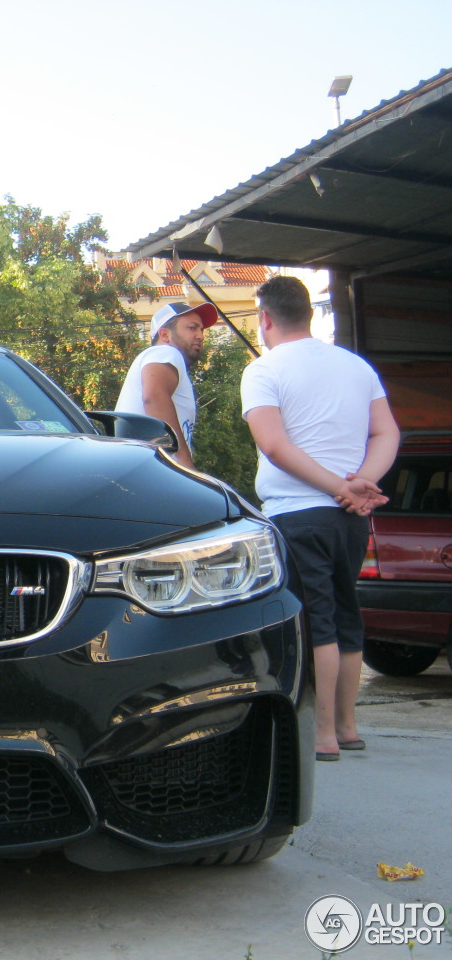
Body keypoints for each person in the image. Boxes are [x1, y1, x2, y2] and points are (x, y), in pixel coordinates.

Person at [240, 275, 399, 762]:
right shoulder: (357, 366)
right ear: (308, 312)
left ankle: (323, 734)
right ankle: (348, 727)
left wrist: (337, 487)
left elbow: (273, 444)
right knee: (347, 615)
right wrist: (360, 487)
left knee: (316, 623)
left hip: (298, 514)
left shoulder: (263, 371)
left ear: (265, 318)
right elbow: (387, 433)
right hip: (351, 518)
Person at [115, 301, 218, 469]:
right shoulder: (166, 352)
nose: (200, 335)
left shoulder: (159, 358)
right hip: (151, 470)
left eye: (201, 329)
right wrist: (184, 464)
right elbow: (154, 398)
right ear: (165, 335)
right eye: (192, 328)